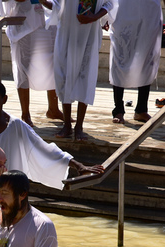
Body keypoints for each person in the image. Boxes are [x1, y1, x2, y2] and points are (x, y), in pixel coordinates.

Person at [0, 80, 104, 190]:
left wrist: (79, 166)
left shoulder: (16, 126)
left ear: (4, 99)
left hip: (6, 195)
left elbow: (45, 149)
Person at [39, 0, 117, 141]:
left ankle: (79, 126)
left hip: (89, 35)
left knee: (85, 76)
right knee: (63, 76)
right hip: (66, 34)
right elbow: (57, 5)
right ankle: (67, 124)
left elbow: (110, 3)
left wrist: (94, 17)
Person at [0, 0, 64, 126]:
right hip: (23, 27)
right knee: (23, 69)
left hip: (46, 23)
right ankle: (25, 113)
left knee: (51, 66)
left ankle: (53, 109)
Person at [108, 0, 165, 124]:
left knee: (147, 59)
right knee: (120, 57)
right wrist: (106, 14)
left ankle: (141, 109)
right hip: (123, 12)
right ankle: (118, 109)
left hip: (149, 13)